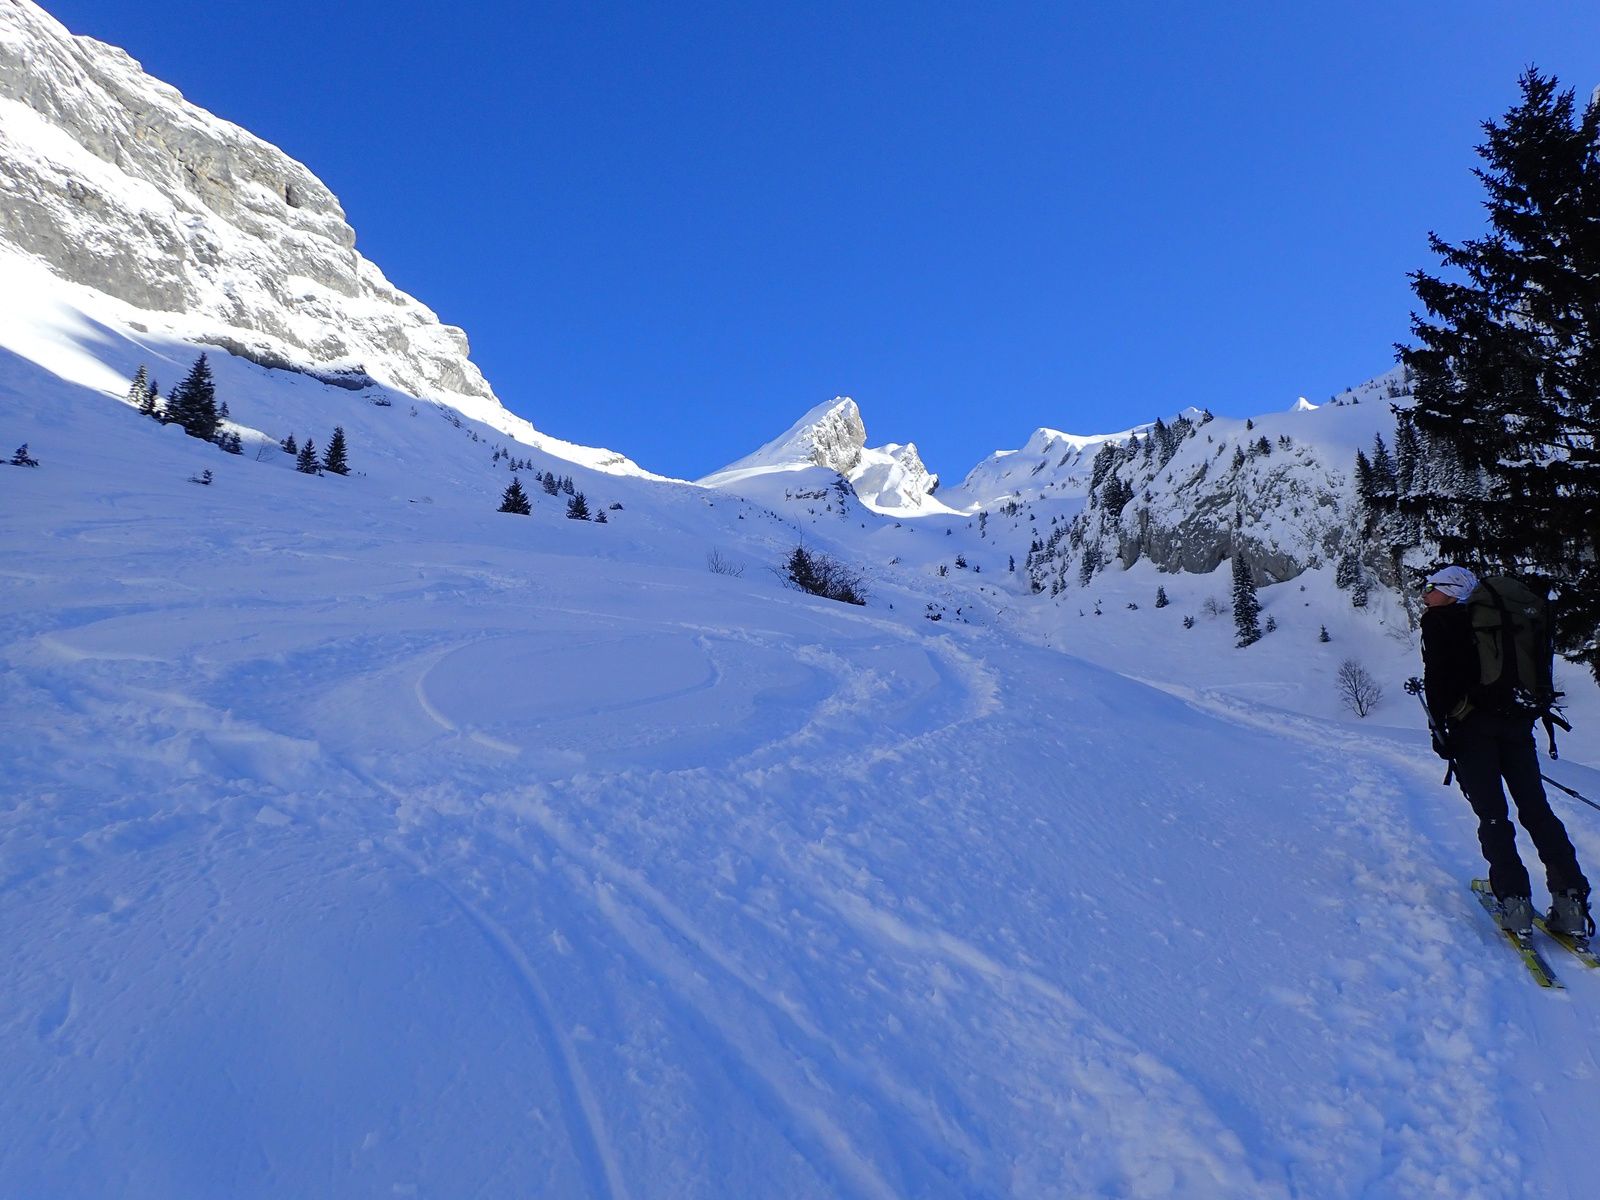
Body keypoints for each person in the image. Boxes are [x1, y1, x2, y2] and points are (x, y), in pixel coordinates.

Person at [1420, 565, 1592, 938]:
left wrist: (1440, 730)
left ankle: (1514, 904)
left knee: (1494, 815)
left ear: (1453, 591)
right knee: (1537, 810)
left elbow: (1438, 680)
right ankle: (1572, 903)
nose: (1425, 593)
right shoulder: (1499, 619)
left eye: (1433, 587)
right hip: (1518, 721)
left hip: (1473, 729)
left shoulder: (1443, 622)